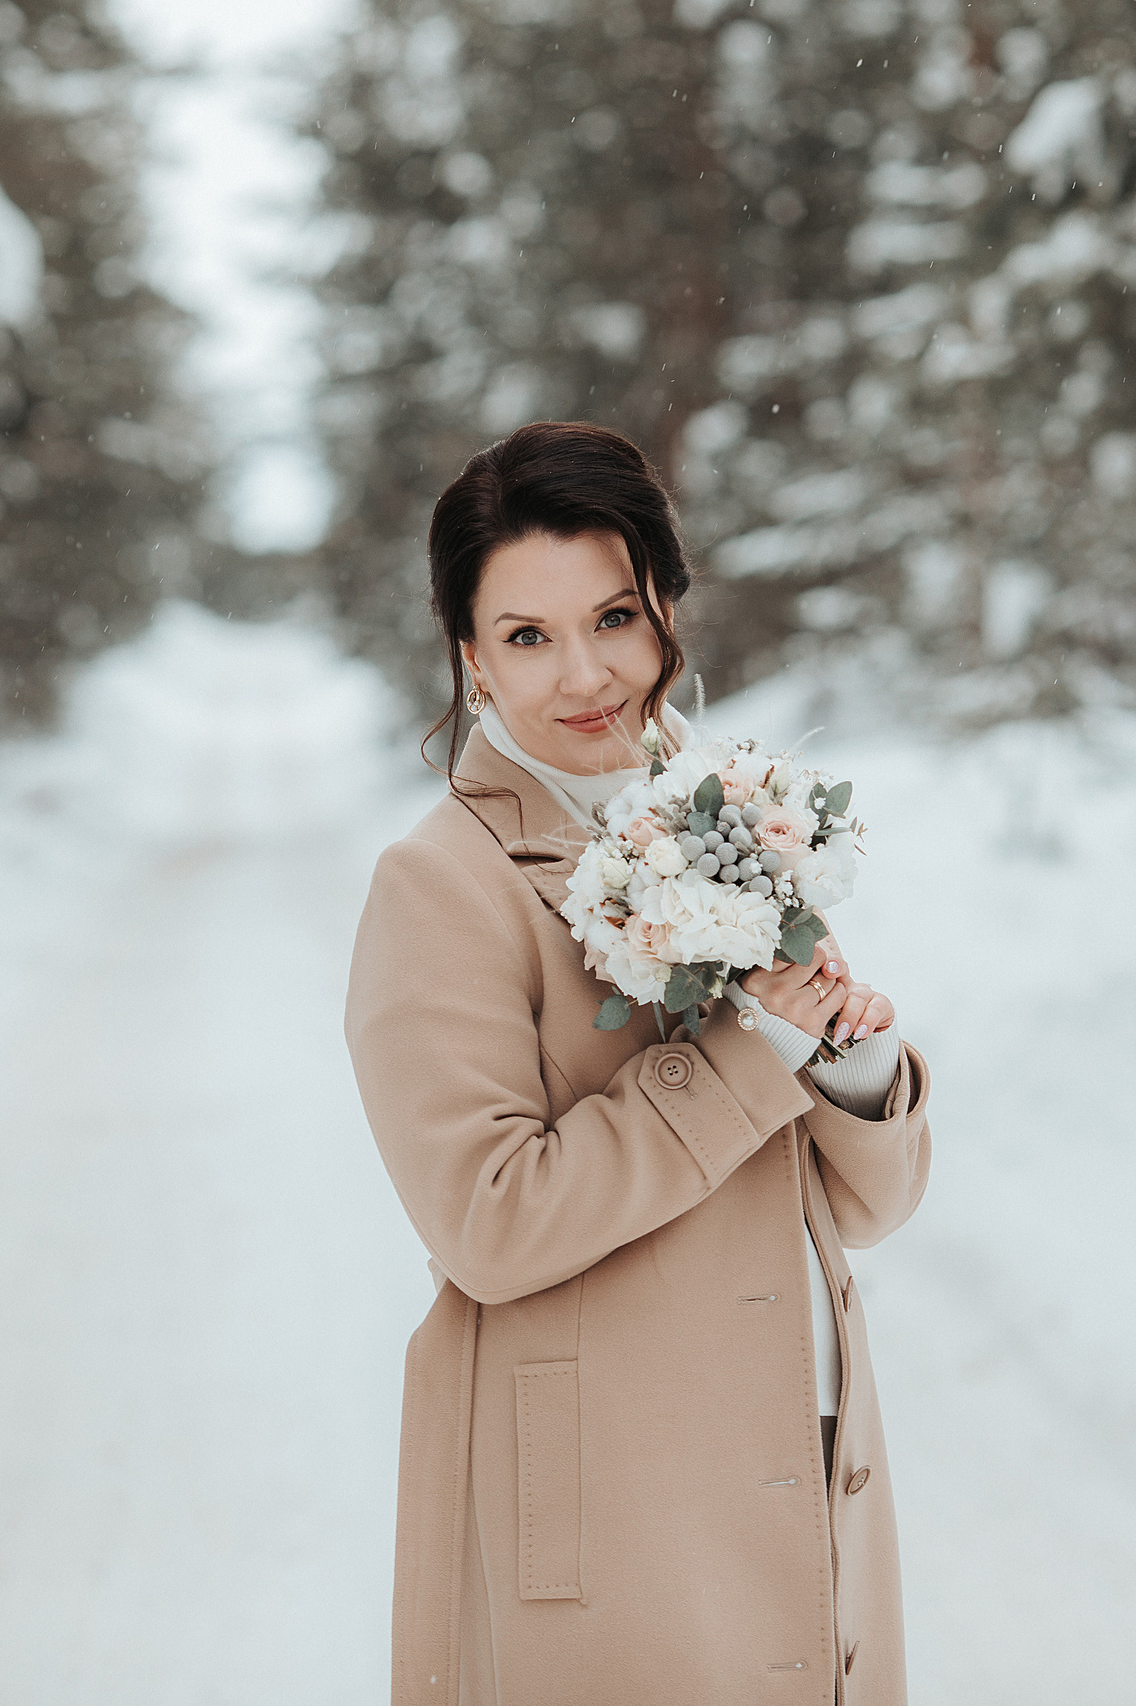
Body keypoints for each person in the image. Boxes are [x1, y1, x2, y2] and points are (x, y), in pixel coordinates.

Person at [344, 421, 934, 1705]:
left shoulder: (726, 823)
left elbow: (869, 1207)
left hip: (804, 1451)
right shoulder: (441, 886)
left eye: (613, 616)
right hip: (611, 1503)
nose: (583, 675)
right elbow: (489, 1224)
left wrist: (848, 1057)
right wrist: (748, 1050)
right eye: (526, 636)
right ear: (470, 659)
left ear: (665, 605)